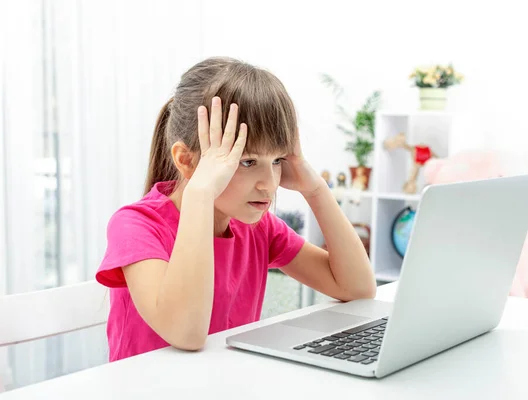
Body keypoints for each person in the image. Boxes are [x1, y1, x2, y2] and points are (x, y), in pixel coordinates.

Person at [95, 57, 376, 362]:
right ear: (187, 161)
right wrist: (200, 194)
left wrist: (316, 189)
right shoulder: (136, 226)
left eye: (278, 160)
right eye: (247, 162)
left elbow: (358, 288)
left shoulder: (258, 227)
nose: (269, 185)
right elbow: (186, 333)